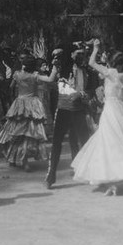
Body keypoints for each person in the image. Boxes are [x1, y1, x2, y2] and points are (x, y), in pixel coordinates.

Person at [71, 39, 123, 196]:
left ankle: (114, 182)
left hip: (111, 110)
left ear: (112, 63)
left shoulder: (110, 73)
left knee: (110, 143)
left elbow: (92, 62)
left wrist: (95, 48)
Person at [0, 57, 58, 171]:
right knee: (28, 133)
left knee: (16, 132)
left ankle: (13, 157)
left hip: (19, 103)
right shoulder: (35, 76)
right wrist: (55, 67)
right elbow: (50, 79)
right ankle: (23, 161)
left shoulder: (17, 74)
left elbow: (11, 87)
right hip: (32, 104)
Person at [44, 48, 91, 189]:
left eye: (83, 54)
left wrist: (83, 94)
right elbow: (54, 68)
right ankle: (51, 175)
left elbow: (92, 90)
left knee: (86, 143)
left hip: (79, 110)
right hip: (63, 109)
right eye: (78, 53)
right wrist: (56, 60)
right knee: (56, 143)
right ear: (71, 55)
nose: (81, 56)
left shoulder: (87, 71)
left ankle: (91, 172)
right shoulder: (63, 68)